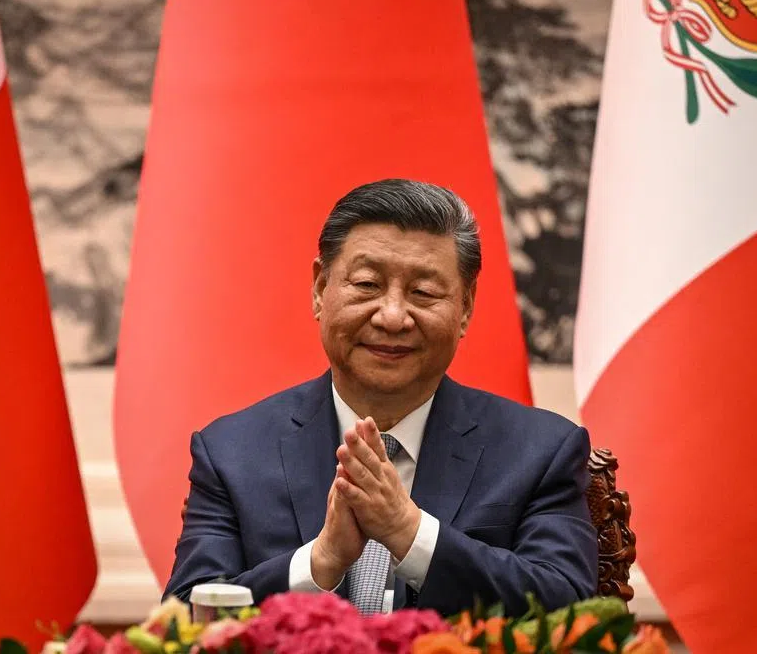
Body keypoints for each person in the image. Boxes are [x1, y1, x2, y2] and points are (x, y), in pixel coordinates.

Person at [164, 179, 598, 616]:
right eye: (368, 284)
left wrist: (411, 533)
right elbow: (184, 618)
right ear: (320, 289)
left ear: (465, 307)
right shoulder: (231, 451)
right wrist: (318, 564)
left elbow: (573, 607)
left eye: (423, 293)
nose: (392, 317)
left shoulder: (541, 451)